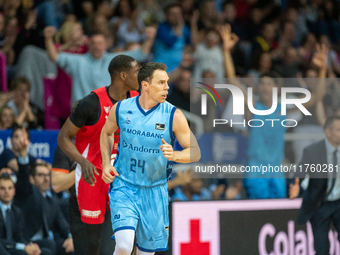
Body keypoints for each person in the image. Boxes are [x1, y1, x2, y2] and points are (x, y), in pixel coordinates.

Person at [100, 62, 201, 254]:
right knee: (123, 245)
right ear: (145, 85)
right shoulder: (121, 108)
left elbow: (196, 151)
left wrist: (176, 154)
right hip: (124, 186)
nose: (167, 87)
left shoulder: (174, 115)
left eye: (167, 82)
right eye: (161, 82)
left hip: (155, 192)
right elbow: (106, 133)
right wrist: (106, 163)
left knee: (145, 252)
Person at [57, 55, 140, 255]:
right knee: (93, 243)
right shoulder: (91, 102)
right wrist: (82, 161)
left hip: (123, 177)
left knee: (129, 239)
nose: (140, 75)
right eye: (136, 71)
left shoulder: (138, 98)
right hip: (92, 175)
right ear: (123, 75)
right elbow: (63, 137)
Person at [44, 25, 156, 104]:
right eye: (93, 43)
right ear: (88, 45)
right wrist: (48, 38)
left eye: (100, 43)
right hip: (83, 112)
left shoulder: (115, 59)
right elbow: (54, 57)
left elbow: (141, 53)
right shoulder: (78, 61)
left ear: (105, 45)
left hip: (108, 111)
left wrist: (150, 38)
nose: (97, 46)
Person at [13, 128, 73, 255]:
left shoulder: (52, 200)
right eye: (41, 175)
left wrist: (70, 237)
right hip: (26, 241)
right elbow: (23, 178)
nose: (46, 178)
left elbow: (62, 224)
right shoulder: (26, 192)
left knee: (72, 246)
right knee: (49, 246)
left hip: (45, 241)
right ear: (32, 179)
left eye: (47, 175)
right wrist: (24, 155)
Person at [289, 115, 340, 254]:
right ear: (328, 132)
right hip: (320, 203)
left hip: (339, 202)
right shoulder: (313, 151)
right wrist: (296, 186)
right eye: (338, 130)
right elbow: (299, 172)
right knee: (321, 247)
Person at [0, 174, 43, 255]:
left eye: (9, 188)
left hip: (14, 247)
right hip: (2, 248)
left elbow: (19, 237)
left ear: (14, 191)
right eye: (2, 188)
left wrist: (29, 246)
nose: (6, 191)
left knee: (44, 251)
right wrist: (23, 247)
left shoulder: (17, 211)